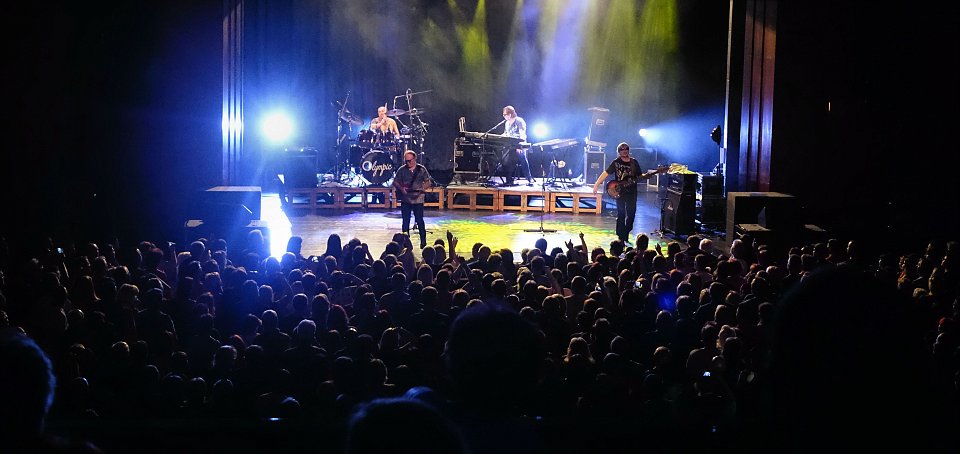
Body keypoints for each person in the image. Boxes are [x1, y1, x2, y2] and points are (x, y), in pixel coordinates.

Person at [591, 142, 663, 244]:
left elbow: (639, 176)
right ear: (619, 151)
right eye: (622, 149)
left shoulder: (634, 162)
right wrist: (596, 184)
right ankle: (621, 237)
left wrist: (646, 176)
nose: (624, 151)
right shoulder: (616, 162)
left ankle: (625, 233)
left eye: (626, 149)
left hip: (632, 192)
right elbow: (605, 173)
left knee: (631, 214)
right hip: (619, 191)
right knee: (621, 214)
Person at [393, 150, 432, 249]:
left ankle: (423, 241)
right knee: (405, 220)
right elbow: (395, 181)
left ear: (415, 159)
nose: (408, 163)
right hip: (406, 199)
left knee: (419, 220)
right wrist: (401, 188)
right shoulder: (402, 170)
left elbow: (428, 182)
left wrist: (422, 188)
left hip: (418, 199)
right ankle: (405, 242)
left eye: (410, 161)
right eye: (406, 161)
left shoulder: (421, 169)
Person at [500, 105, 534, 186]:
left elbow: (522, 134)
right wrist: (499, 137)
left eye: (504, 114)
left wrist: (520, 146)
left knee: (523, 158)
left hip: (520, 144)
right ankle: (509, 180)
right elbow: (506, 133)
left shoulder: (519, 121)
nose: (503, 116)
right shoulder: (507, 123)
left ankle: (529, 178)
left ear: (510, 114)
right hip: (511, 145)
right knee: (506, 160)